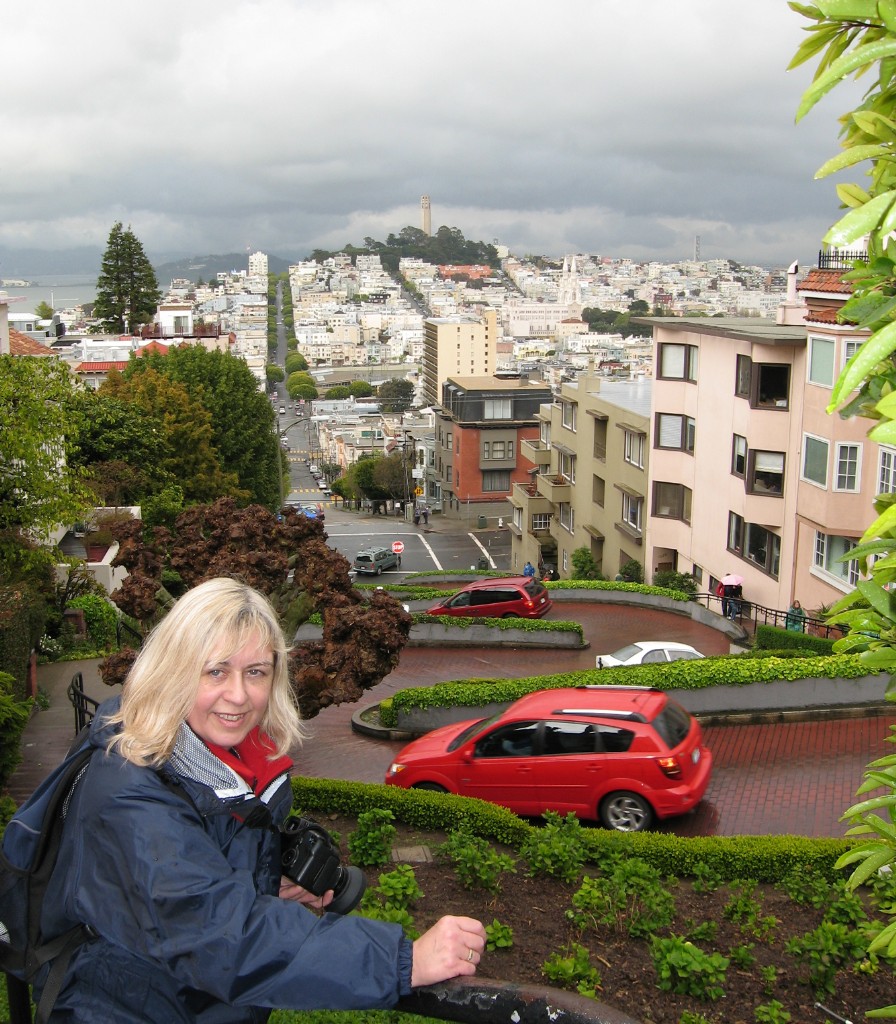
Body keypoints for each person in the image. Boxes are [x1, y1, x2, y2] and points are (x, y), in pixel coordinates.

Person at [39, 578, 485, 1022]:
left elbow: (195, 879)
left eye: (256, 672)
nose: (239, 695)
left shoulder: (229, 759)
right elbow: (217, 935)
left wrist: (263, 883)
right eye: (215, 670)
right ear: (173, 670)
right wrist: (402, 961)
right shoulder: (128, 789)